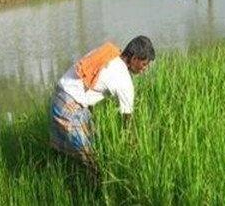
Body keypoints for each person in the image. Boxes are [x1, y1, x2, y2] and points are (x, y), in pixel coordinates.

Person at [49, 36, 155, 170]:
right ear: (134, 59)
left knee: (78, 149)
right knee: (93, 162)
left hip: (59, 97)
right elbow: (127, 122)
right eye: (144, 64)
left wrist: (89, 118)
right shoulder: (124, 81)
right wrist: (135, 149)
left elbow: (89, 84)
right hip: (69, 108)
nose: (145, 69)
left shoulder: (108, 53)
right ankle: (95, 188)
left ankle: (62, 175)